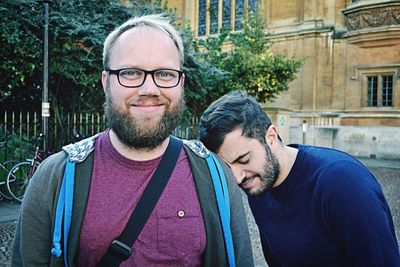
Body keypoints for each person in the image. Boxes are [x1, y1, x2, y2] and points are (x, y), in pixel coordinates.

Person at [12, 15, 254, 267]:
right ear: (106, 82)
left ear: (180, 82)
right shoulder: (56, 176)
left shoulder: (215, 175)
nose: (149, 89)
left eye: (164, 73)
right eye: (130, 73)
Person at [199, 90, 400, 267]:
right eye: (226, 167)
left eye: (244, 159)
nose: (237, 177)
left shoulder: (342, 182)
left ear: (270, 137)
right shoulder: (258, 185)